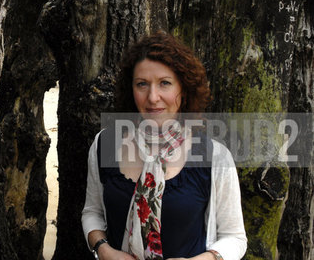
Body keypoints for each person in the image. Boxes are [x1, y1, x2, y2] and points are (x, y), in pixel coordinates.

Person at [81, 30, 247, 260]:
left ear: (184, 88)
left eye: (165, 83)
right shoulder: (105, 144)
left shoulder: (214, 156)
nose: (153, 97)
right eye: (142, 84)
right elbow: (93, 212)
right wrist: (103, 249)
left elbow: (235, 237)